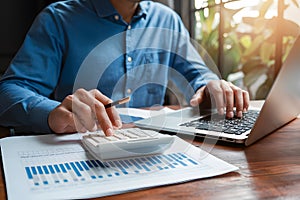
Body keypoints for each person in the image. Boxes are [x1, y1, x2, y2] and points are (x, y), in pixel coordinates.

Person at [0, 0, 249, 136]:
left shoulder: (167, 18)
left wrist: (210, 85)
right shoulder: (58, 18)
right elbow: (9, 91)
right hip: (81, 150)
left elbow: (199, 74)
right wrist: (51, 112)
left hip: (151, 150)